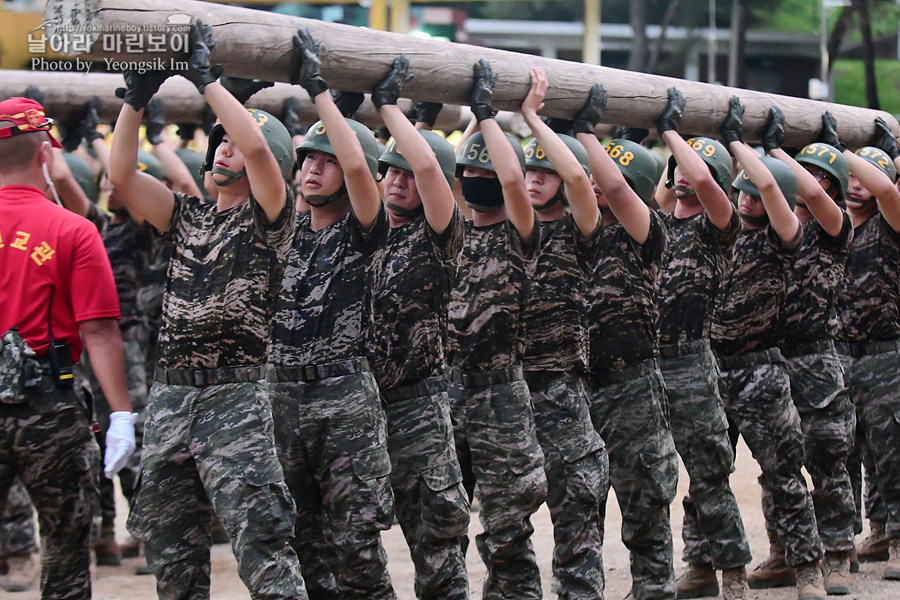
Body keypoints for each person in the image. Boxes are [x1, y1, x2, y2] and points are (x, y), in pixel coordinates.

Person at [108, 22, 307, 600]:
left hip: (234, 398)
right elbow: (121, 177)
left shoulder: (270, 215)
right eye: (216, 140)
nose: (225, 147)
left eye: (235, 142)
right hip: (171, 396)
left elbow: (255, 149)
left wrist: (207, 81)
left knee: (263, 553)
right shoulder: (188, 215)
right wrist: (134, 101)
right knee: (170, 554)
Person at [265, 28, 394, 599]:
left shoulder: (362, 230)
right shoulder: (281, 231)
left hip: (343, 399)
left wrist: (319, 90)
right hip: (282, 396)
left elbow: (364, 172)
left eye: (327, 161)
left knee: (357, 548)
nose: (313, 170)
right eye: (306, 161)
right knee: (300, 540)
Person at [0, 95, 135, 599]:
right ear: (45, 155)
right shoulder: (73, 230)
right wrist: (120, 414)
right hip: (49, 407)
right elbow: (99, 330)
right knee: (65, 542)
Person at [712, 96, 827, 600]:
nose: (746, 199)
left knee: (783, 471)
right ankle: (720, 571)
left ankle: (808, 567)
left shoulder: (785, 237)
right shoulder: (718, 234)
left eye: (755, 194)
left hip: (760, 368)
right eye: (740, 192)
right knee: (708, 477)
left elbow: (767, 186)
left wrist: (751, 141)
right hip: (713, 367)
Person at [370, 55, 471, 600]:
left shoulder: (439, 234)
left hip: (417, 404)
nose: (400, 182)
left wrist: (389, 105)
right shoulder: (360, 229)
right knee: (350, 538)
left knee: (435, 537)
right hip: (358, 402)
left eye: (409, 174)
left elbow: (430, 170)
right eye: (392, 171)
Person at [447, 59, 547, 599]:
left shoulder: (518, 232)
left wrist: (497, 114)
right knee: (443, 522)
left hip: (500, 393)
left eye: (489, 174)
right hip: (448, 391)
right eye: (473, 174)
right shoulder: (451, 228)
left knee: (507, 528)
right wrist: (473, 122)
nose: (481, 179)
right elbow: (458, 168)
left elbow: (509, 176)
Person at [577, 89, 678, 600]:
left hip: (632, 387)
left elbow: (614, 188)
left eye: (605, 179)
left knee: (644, 506)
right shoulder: (574, 230)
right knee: (580, 507)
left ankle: (655, 591)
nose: (594, 184)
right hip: (578, 388)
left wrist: (583, 129)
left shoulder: (648, 233)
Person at [653, 88, 752, 600]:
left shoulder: (721, 227)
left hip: (691, 361)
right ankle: (694, 568)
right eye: (679, 169)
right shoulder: (657, 225)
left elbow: (712, 186)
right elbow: (655, 192)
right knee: (649, 478)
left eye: (699, 169)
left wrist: (670, 128)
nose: (687, 175)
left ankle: (731, 569)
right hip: (648, 365)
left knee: (708, 472)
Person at [518, 69, 608, 600]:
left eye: (544, 172)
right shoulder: (510, 226)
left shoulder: (580, 229)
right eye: (530, 170)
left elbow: (580, 180)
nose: (534, 179)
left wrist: (532, 118)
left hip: (559, 386)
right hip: (508, 388)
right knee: (507, 514)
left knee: (575, 505)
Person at [759, 110, 856, 595]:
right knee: (777, 462)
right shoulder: (769, 226)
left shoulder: (834, 229)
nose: (812, 183)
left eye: (822, 176)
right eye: (805, 171)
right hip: (772, 358)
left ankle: (838, 554)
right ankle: (784, 549)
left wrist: (776, 151)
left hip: (815, 359)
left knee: (826, 456)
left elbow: (813, 195)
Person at [834, 116, 900, 583]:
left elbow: (890, 194)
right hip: (838, 354)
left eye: (864, 179)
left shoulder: (890, 224)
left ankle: (898, 539)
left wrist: (847, 147)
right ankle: (872, 531)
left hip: (884, 353)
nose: (856, 185)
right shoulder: (830, 227)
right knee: (847, 449)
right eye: (848, 178)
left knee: (891, 448)